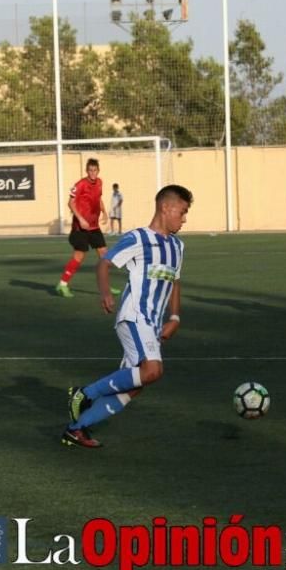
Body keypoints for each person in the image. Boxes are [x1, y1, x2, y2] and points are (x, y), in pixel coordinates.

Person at [62, 184, 193, 448]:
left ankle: (77, 428)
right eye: (182, 211)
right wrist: (105, 293)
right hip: (135, 316)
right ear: (166, 208)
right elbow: (104, 263)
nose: (185, 218)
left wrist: (175, 318)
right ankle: (85, 393)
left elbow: (175, 282)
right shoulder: (138, 239)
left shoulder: (177, 247)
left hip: (153, 323)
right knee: (153, 370)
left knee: (134, 385)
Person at [55, 158, 110, 297]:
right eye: (90, 170)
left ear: (98, 171)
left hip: (94, 227)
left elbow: (99, 199)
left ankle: (105, 287)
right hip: (80, 228)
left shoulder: (99, 182)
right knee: (79, 256)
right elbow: (70, 202)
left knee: (105, 256)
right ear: (87, 171)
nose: (92, 173)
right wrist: (80, 219)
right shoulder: (80, 184)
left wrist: (104, 212)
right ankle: (62, 285)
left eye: (95, 170)